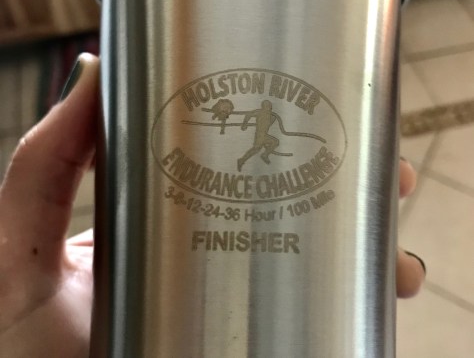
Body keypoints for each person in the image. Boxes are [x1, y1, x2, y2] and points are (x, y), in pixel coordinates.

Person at [0, 53, 425, 357]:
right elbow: (254, 120)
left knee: (264, 154)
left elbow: (270, 122)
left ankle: (253, 165)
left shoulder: (268, 116)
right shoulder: (259, 115)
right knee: (259, 155)